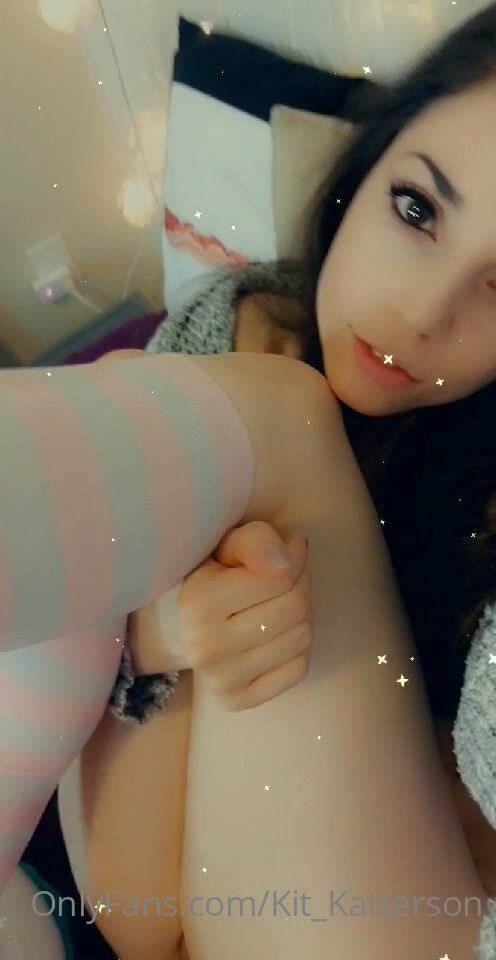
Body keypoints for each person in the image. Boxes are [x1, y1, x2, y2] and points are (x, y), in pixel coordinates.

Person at [45, 2, 496, 958]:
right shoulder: (235, 318)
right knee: (186, 404)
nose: (422, 313)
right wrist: (165, 633)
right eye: (417, 210)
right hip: (164, 903)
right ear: (367, 168)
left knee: (236, 419)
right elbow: (136, 921)